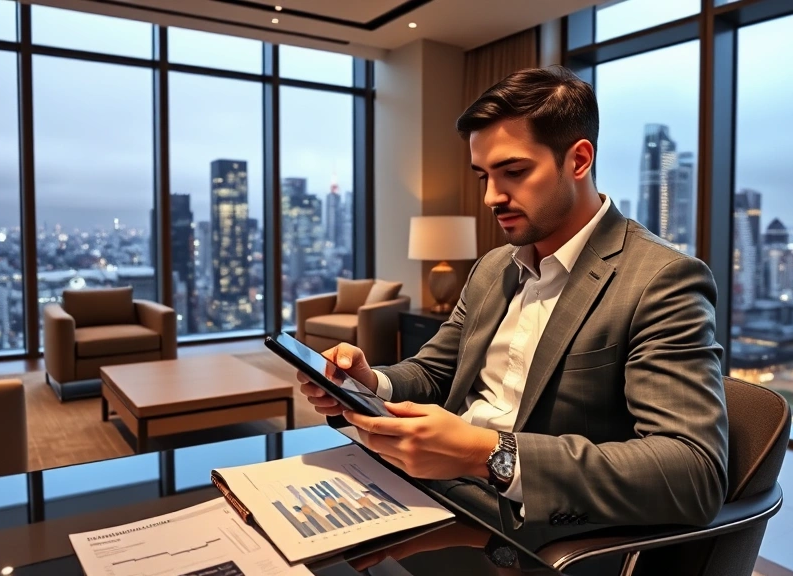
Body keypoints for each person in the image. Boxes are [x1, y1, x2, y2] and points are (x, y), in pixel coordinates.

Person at [297, 66, 729, 543]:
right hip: (431, 489)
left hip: (527, 530)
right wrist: (368, 381)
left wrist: (486, 454)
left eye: (514, 172)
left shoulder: (660, 279)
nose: (491, 197)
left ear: (579, 159)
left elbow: (693, 473)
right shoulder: (492, 268)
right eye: (483, 175)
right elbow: (436, 373)